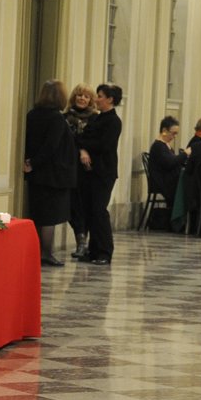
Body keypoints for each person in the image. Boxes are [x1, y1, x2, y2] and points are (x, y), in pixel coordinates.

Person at [22, 79, 75, 267]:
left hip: (36, 174)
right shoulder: (56, 118)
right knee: (49, 217)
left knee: (38, 214)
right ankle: (46, 253)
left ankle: (37, 252)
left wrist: (31, 162)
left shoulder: (32, 115)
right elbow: (51, 145)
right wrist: (36, 163)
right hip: (52, 174)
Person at [76, 83, 122, 264]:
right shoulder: (95, 118)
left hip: (104, 171)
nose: (96, 99)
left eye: (100, 96)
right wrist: (83, 149)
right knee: (89, 210)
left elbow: (105, 145)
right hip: (89, 172)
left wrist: (86, 146)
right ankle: (93, 251)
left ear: (110, 99)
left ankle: (105, 251)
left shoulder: (113, 121)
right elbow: (81, 137)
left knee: (99, 210)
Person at [63, 83, 96, 257]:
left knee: (86, 205)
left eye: (86, 96)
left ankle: (84, 243)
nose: (82, 99)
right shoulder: (66, 118)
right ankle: (81, 241)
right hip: (70, 167)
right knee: (72, 207)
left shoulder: (95, 119)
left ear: (91, 100)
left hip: (89, 169)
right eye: (79, 95)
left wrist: (85, 150)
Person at [147, 115, 185, 209]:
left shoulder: (165, 145)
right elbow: (169, 163)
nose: (175, 136)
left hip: (167, 181)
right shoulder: (158, 146)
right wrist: (184, 155)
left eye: (176, 134)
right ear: (164, 130)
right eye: (173, 133)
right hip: (162, 183)